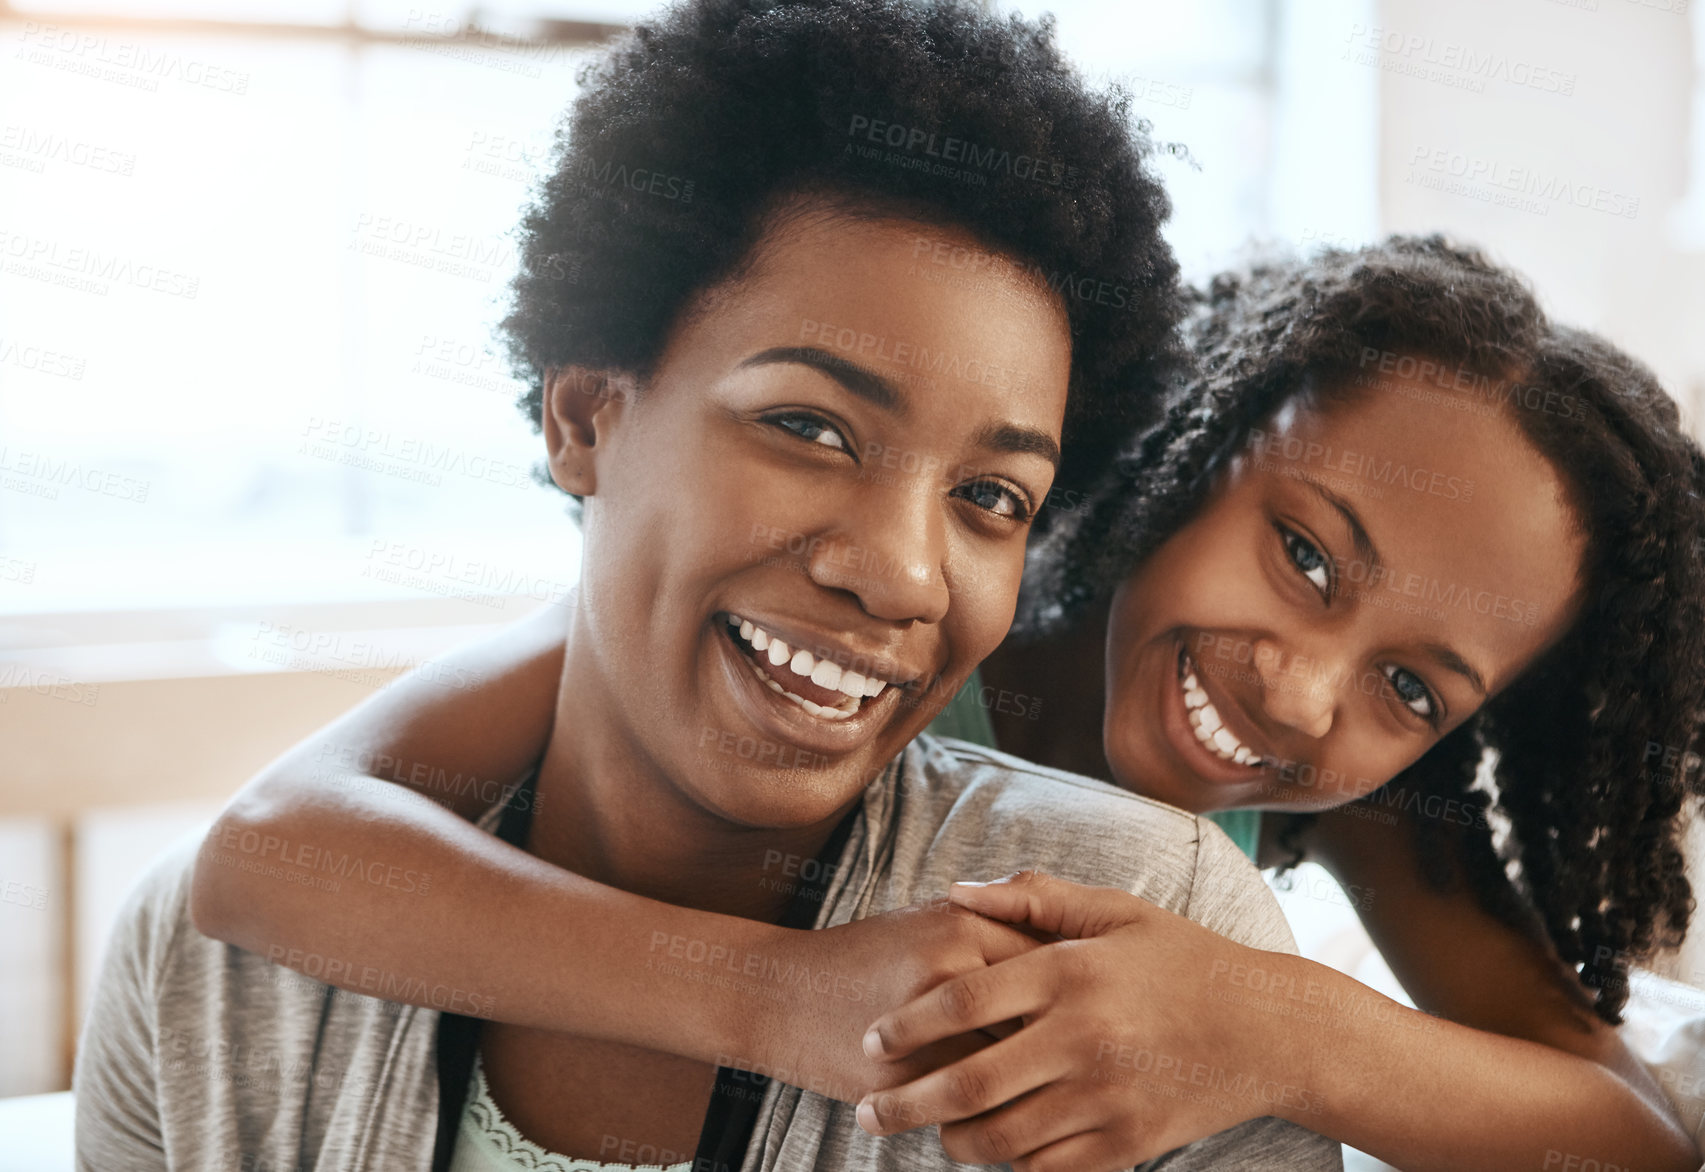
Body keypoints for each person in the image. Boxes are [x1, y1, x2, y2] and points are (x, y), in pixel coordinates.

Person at [75, 1, 1342, 1170]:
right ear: (586, 416)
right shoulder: (219, 970)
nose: (900, 571)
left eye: (990, 497)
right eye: (811, 427)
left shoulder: (1143, 945)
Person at [187, 236, 1705, 1171]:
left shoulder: (1366, 802)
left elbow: (1629, 1137)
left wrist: (1281, 1028)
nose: (1303, 689)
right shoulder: (879, 628)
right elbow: (269, 847)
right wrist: (777, 1001)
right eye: (1303, 553)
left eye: (1410, 685)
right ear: (1197, 444)